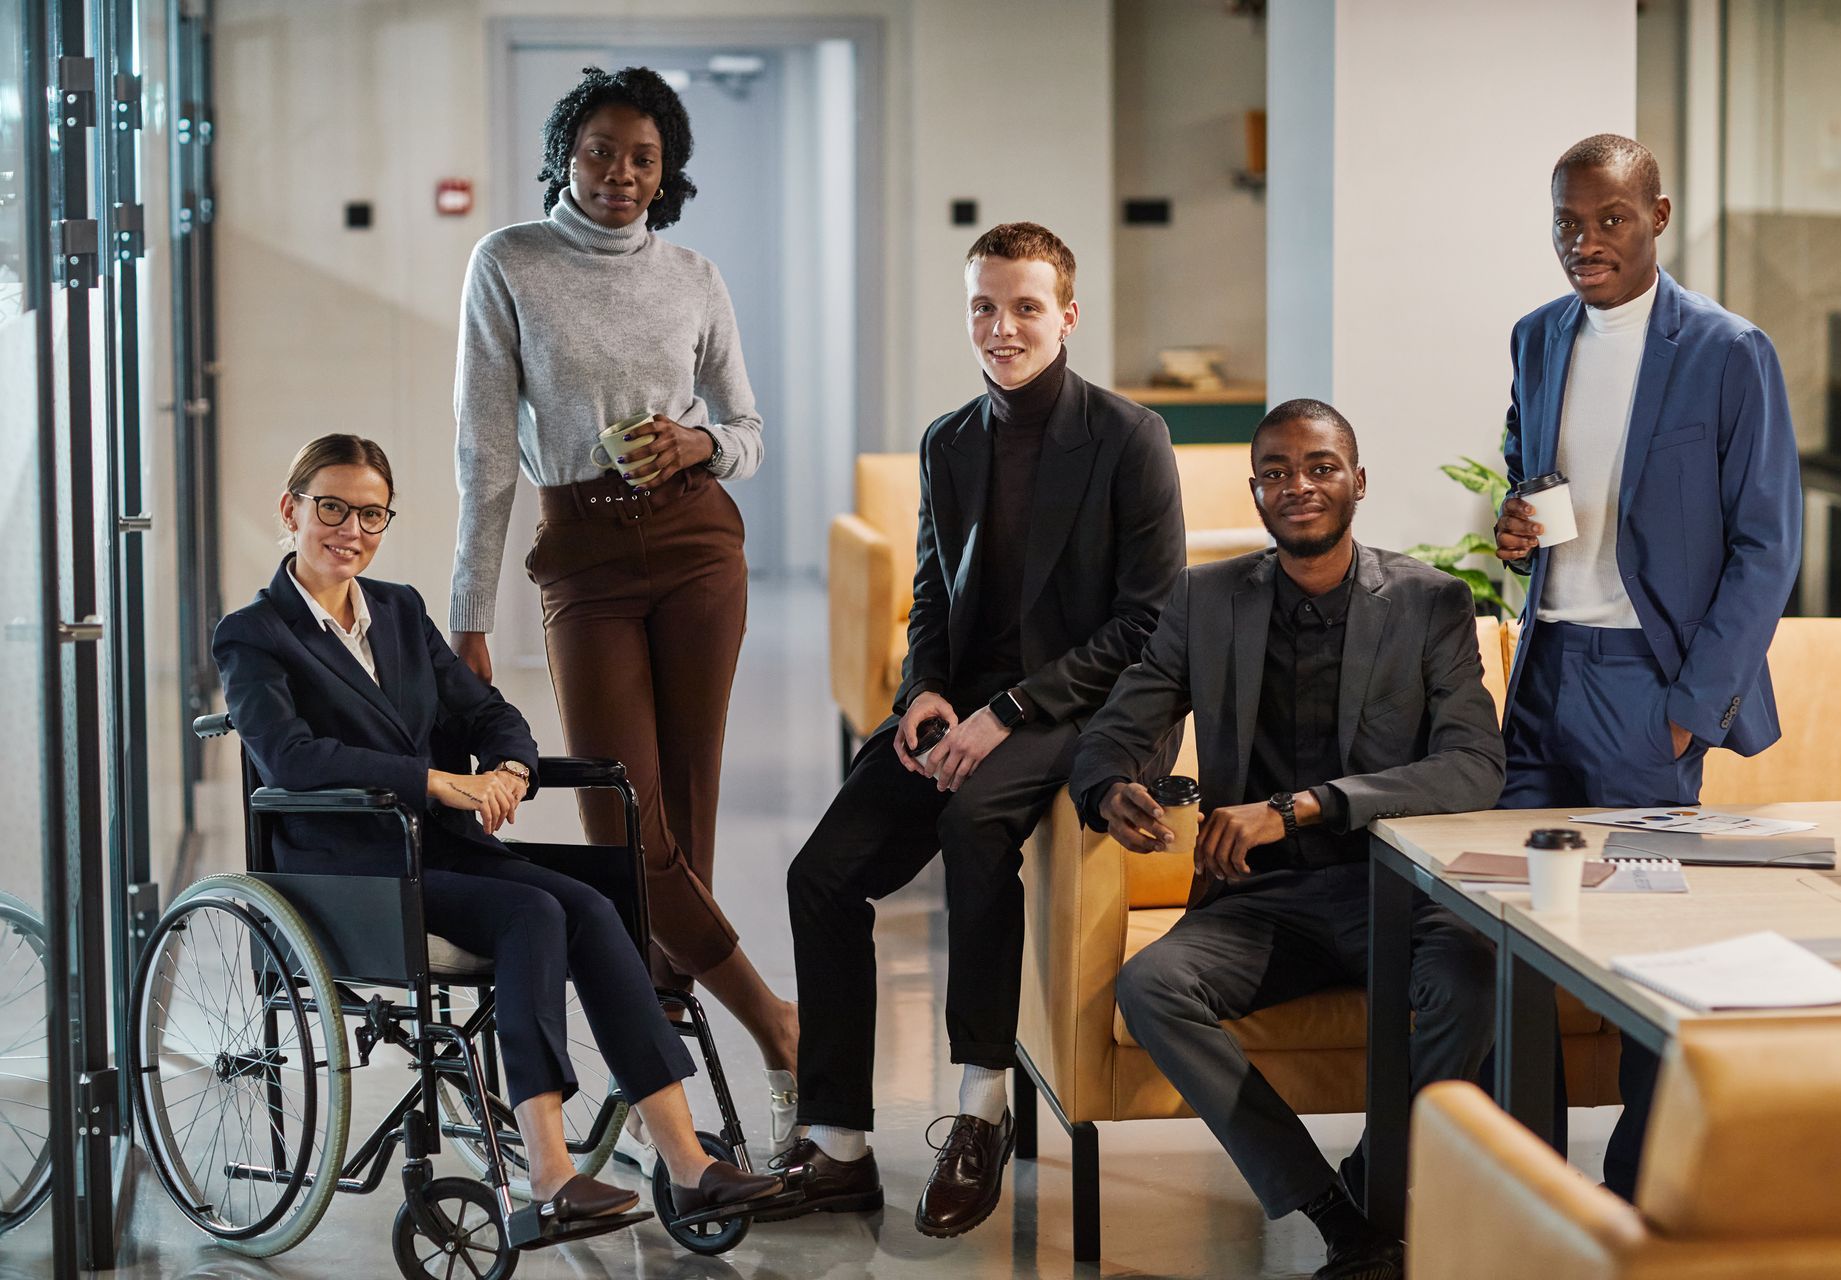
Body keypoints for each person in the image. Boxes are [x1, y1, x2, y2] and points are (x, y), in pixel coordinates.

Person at [213, 434, 790, 1228]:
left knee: (589, 903)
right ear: (293, 510)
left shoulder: (401, 611)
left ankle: (687, 1161)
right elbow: (290, 757)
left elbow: (489, 713)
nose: (351, 529)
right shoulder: (253, 634)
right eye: (332, 508)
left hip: (441, 853)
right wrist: (434, 781)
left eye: (371, 514)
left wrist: (512, 768)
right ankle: (549, 1175)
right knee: (533, 911)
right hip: (351, 868)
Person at [773, 222, 1186, 1237]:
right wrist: (923, 691)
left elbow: (1149, 622)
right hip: (968, 706)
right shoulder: (950, 440)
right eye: (984, 307)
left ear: (1068, 316)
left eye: (1026, 307)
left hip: (1090, 705)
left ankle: (980, 1109)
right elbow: (930, 592)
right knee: (819, 874)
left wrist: (1006, 711)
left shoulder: (1130, 437)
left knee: (973, 824)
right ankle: (837, 1143)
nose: (1003, 328)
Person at [447, 66, 799, 1151]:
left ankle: (672, 1107)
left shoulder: (694, 273)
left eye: (644, 157)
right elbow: (485, 450)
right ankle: (781, 1025)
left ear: (667, 172)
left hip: (699, 547)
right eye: (601, 149)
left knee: (683, 820)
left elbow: (746, 427)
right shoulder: (507, 261)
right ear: (566, 151)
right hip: (583, 559)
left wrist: (701, 443)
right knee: (628, 820)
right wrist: (470, 607)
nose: (621, 174)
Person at [1071, 400, 1504, 1280]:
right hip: (1259, 905)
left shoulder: (1429, 602)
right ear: (1257, 488)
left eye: (1318, 466)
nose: (1296, 486)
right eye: (1275, 471)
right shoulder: (1205, 598)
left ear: (1357, 480)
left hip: (1393, 891)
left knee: (1474, 974)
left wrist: (1305, 806)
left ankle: (1374, 1184)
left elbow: (1474, 766)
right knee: (1153, 986)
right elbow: (1121, 722)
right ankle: (1331, 1210)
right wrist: (1110, 785)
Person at [1493, 134, 1802, 1199]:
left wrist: (1689, 711)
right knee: (1510, 927)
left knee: (1643, 940)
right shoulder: (1538, 335)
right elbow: (1523, 452)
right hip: (1544, 671)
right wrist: (1516, 522)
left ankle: (1632, 1194)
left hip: (1648, 687)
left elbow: (1769, 545)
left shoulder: (1728, 350)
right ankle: (1522, 1180)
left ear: (1658, 217)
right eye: (1568, 222)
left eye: (1610, 219)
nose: (1586, 242)